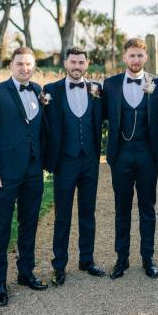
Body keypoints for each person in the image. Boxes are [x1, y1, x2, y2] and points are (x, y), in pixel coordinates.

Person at [0, 47, 47, 307]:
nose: (24, 68)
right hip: (4, 174)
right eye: (20, 64)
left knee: (29, 224)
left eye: (29, 64)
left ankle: (25, 272)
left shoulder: (39, 90)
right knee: (1, 228)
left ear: (33, 66)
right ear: (11, 65)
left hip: (32, 171)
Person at [103, 38, 158, 279]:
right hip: (121, 154)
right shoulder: (111, 84)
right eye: (132, 56)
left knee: (147, 207)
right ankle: (122, 258)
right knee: (122, 207)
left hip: (148, 154)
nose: (136, 60)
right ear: (124, 58)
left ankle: (148, 257)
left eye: (140, 56)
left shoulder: (157, 84)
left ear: (145, 58)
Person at [43, 46, 104, 285]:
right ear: (65, 64)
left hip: (90, 159)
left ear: (87, 65)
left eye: (81, 62)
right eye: (73, 62)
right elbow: (44, 126)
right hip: (65, 161)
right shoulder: (51, 91)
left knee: (88, 212)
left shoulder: (97, 89)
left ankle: (87, 260)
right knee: (62, 215)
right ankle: (59, 265)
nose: (77, 66)